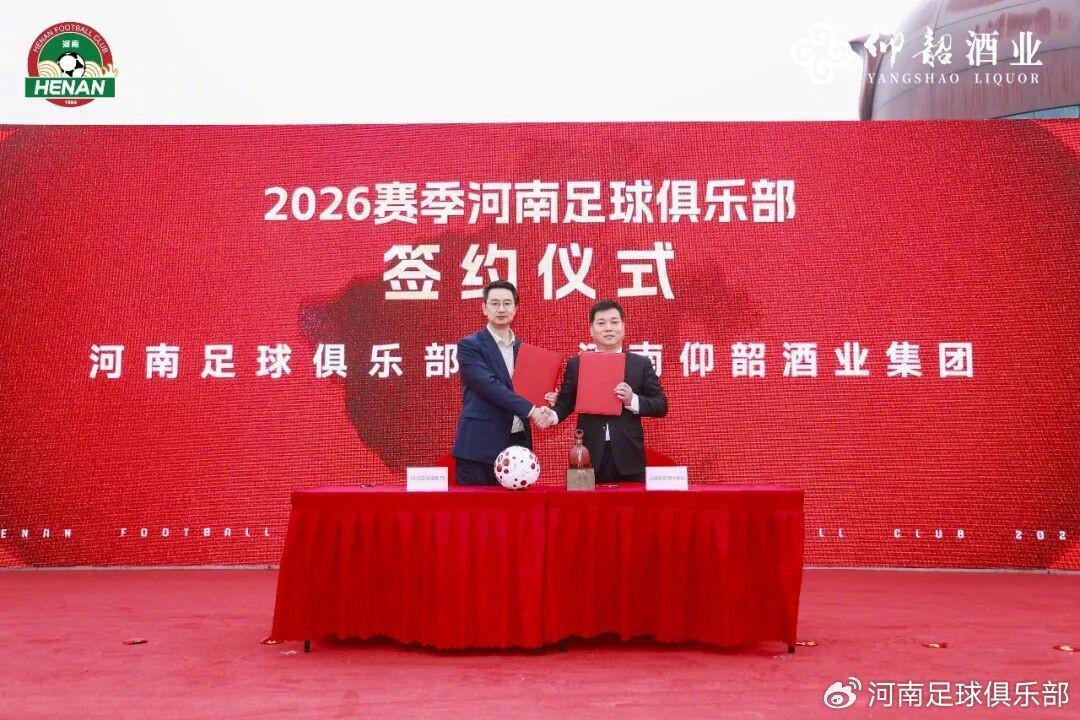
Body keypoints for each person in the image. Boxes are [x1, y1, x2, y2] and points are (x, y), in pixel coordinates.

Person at [544, 300, 667, 482]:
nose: (608, 328)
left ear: (623, 326)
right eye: (601, 323)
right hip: (589, 455)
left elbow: (661, 405)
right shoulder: (577, 364)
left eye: (614, 322)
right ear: (591, 330)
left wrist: (632, 400)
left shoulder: (640, 364)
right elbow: (566, 403)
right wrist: (552, 416)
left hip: (630, 456)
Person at [451, 280, 551, 485]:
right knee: (476, 505)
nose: (501, 309)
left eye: (507, 303)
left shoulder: (524, 350)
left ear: (516, 308)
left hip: (518, 446)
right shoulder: (469, 346)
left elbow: (529, 390)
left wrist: (547, 399)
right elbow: (489, 386)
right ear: (484, 308)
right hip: (479, 446)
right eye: (495, 303)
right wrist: (532, 410)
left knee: (516, 507)